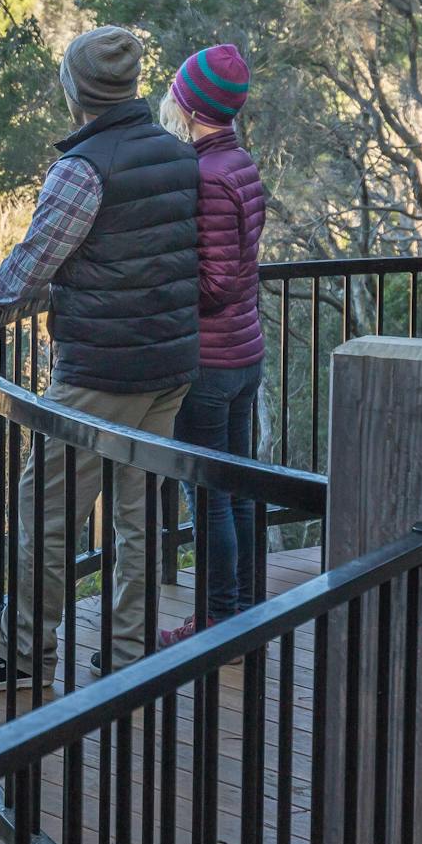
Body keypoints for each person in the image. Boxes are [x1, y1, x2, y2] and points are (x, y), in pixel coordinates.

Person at [0, 25, 200, 685]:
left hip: (101, 369)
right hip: (168, 367)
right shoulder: (177, 153)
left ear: (73, 88)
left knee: (45, 513)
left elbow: (32, 265)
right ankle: (128, 651)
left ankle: (25, 654)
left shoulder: (83, 169)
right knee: (137, 514)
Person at [158, 44, 267, 641]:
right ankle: (244, 608)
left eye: (176, 94)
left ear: (190, 106)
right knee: (240, 489)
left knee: (211, 497)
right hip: (243, 353)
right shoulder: (239, 163)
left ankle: (219, 618)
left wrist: (160, 281)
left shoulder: (205, 175)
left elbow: (216, 281)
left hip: (211, 360)